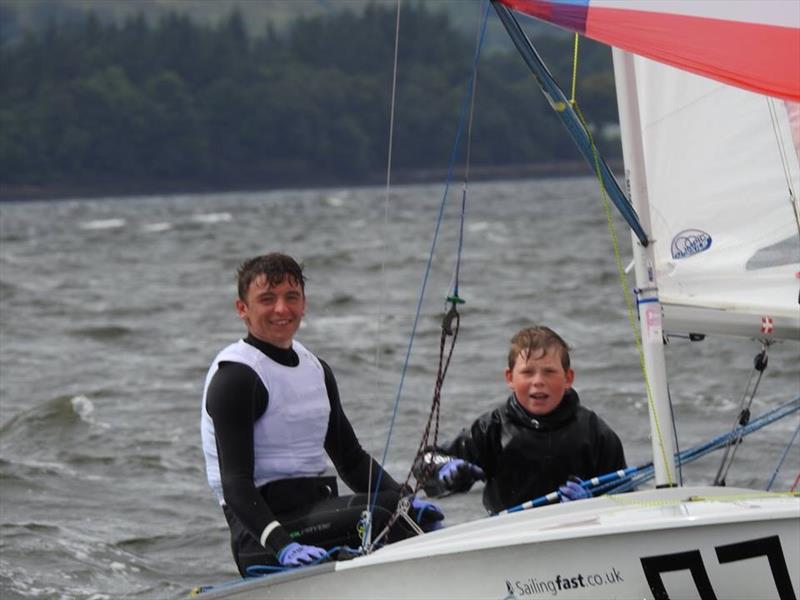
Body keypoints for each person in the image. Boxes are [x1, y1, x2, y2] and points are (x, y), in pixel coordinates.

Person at [201, 253, 443, 577]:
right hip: (263, 535)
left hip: (313, 511)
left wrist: (406, 499)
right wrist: (283, 545)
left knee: (400, 507)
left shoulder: (315, 368)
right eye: (267, 299)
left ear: (304, 303)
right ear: (242, 308)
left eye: (291, 297)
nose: (281, 309)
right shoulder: (237, 377)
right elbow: (235, 485)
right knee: (381, 516)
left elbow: (352, 460)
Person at [414, 325, 626, 514]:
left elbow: (626, 500)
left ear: (568, 378)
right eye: (528, 372)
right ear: (510, 378)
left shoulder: (595, 433)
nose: (538, 381)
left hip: (579, 532)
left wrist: (592, 505)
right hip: (511, 536)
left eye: (549, 372)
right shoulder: (493, 428)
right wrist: (445, 470)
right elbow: (425, 460)